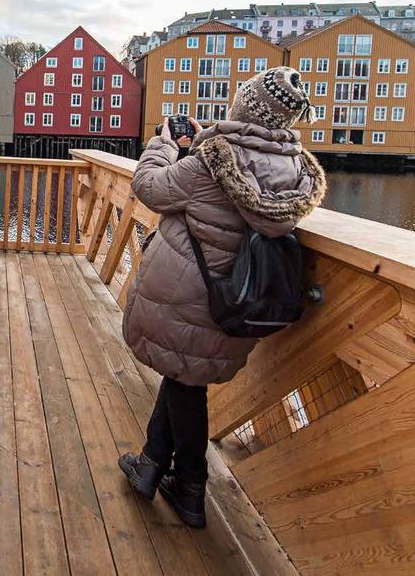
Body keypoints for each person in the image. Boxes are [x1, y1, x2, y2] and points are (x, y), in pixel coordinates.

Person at [118, 67, 326, 527]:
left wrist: (163, 145)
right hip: (240, 299)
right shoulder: (296, 168)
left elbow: (150, 188)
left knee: (185, 385)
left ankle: (191, 488)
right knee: (184, 378)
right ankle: (151, 466)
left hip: (188, 294)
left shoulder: (212, 160)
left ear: (245, 107)